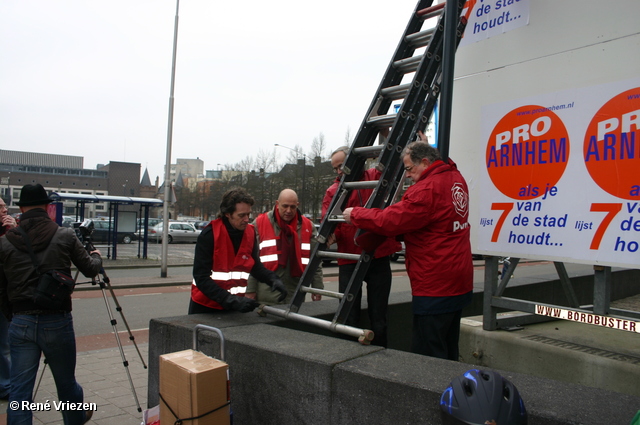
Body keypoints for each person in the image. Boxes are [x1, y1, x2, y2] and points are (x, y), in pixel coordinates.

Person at [343, 140, 473, 360]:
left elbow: (390, 220)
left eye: (410, 169)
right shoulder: (456, 178)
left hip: (434, 284)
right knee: (449, 346)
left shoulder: (425, 190)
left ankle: (430, 393)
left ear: (424, 162)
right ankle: (452, 392)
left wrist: (355, 214)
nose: (408, 175)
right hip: (459, 280)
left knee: (428, 354)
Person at [0, 183, 102, 425]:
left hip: (21, 321)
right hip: (57, 320)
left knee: (20, 394)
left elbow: (1, 289)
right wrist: (97, 255)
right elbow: (89, 269)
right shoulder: (64, 234)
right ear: (47, 207)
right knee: (66, 385)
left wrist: (12, 316)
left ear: (22, 208)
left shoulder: (4, 243)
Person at [322, 147, 401, 347]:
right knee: (348, 316)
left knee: (379, 316)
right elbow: (330, 224)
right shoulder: (333, 191)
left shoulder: (376, 176)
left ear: (355, 161)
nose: (339, 171)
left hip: (377, 254)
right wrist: (331, 236)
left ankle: (381, 356)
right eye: (335, 168)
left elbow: (396, 163)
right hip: (349, 257)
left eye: (341, 166)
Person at [190, 188, 287, 314]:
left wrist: (273, 279)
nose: (247, 219)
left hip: (233, 305)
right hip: (205, 306)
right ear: (228, 214)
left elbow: (255, 266)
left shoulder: (250, 232)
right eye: (241, 215)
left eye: (248, 214)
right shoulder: (209, 235)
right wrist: (230, 300)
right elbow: (201, 277)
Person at [246, 189, 323, 305]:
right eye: (285, 206)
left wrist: (317, 287)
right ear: (277, 204)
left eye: (293, 207)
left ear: (297, 205)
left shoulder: (307, 226)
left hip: (295, 293)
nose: (289, 211)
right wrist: (250, 290)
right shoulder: (260, 224)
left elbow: (315, 259)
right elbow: (250, 260)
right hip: (266, 293)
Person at [0, 198, 16, 400]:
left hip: (6, 294)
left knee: (5, 343)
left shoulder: (10, 230)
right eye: (0, 207)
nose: (5, 209)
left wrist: (12, 232)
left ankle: (6, 384)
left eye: (4, 206)